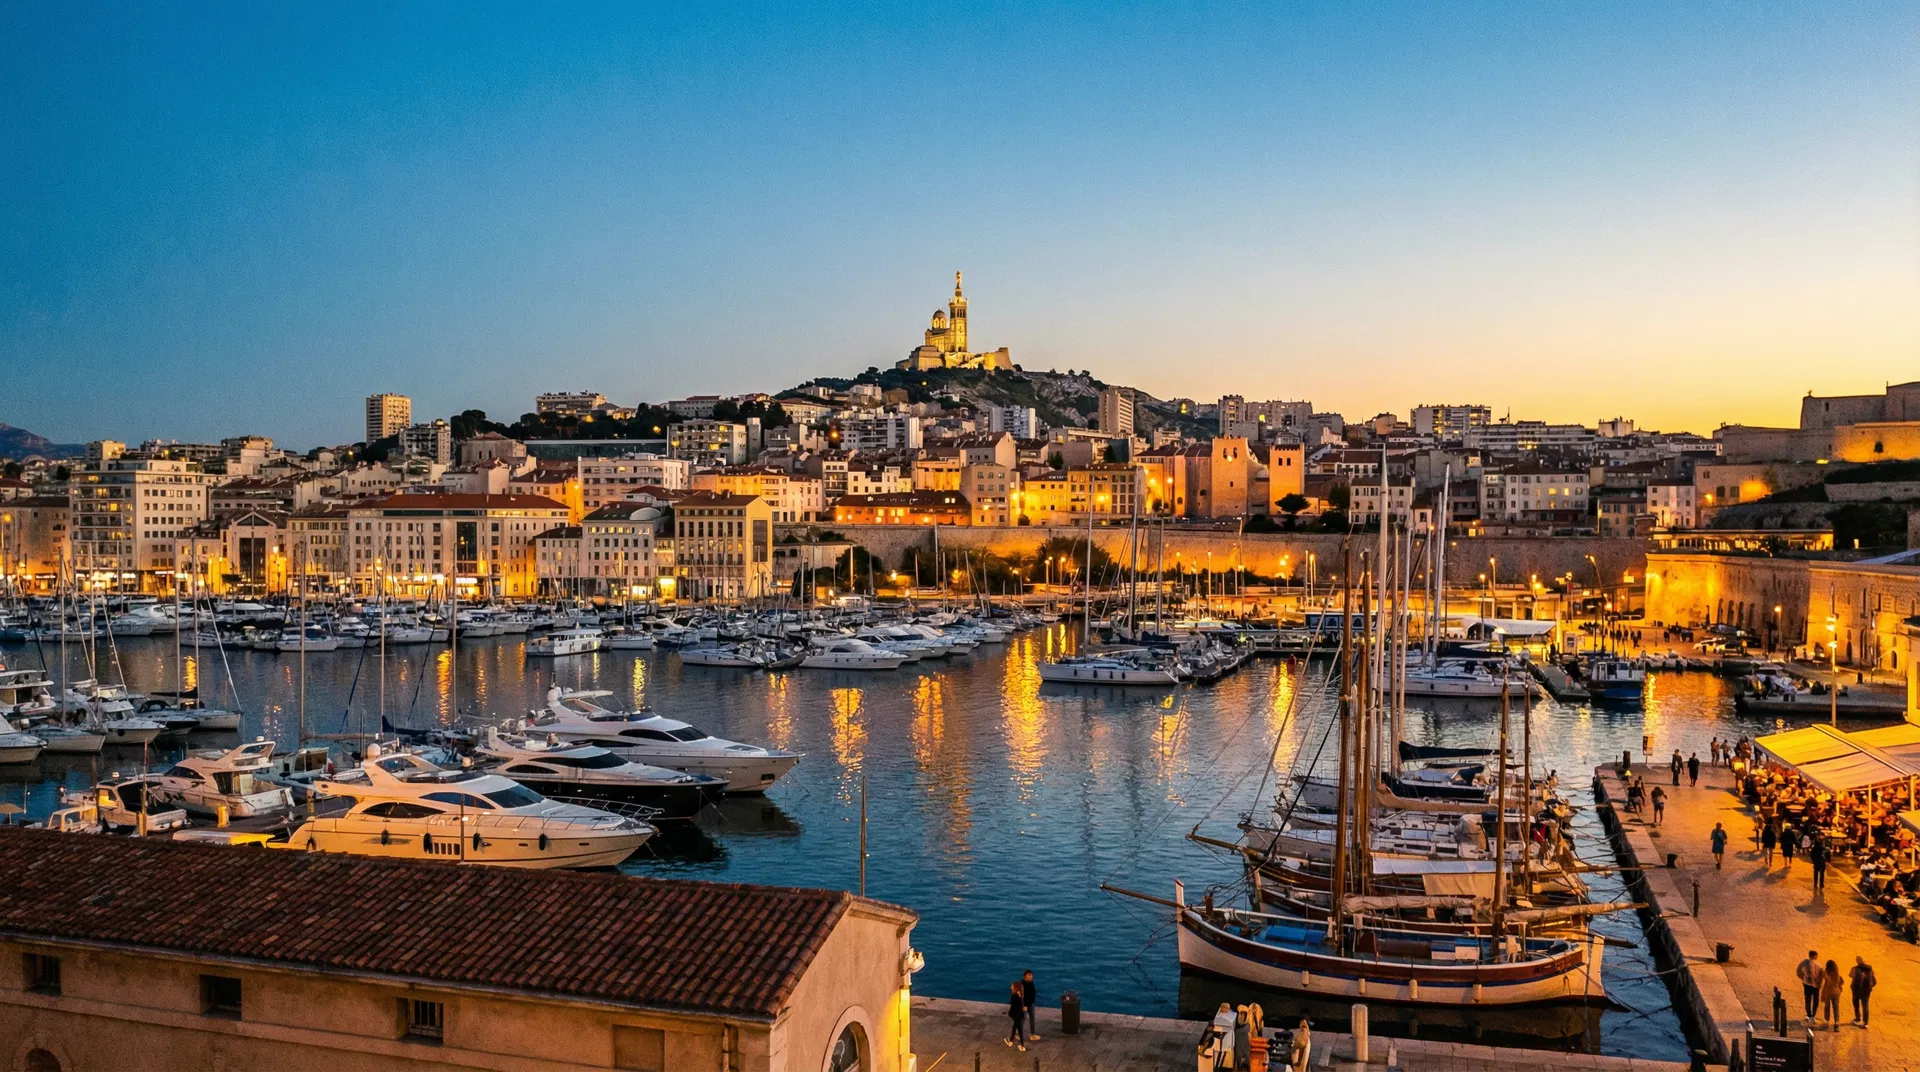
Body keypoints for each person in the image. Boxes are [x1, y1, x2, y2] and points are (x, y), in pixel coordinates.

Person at [1849, 956, 1876, 1027]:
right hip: (1866, 990)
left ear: (1857, 961)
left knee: (1856, 1005)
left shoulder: (1854, 968)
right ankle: (1865, 1022)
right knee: (1865, 1006)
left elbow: (1850, 975)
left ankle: (1858, 1018)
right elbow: (1873, 979)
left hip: (1856, 990)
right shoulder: (1870, 969)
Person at [1797, 950, 1821, 1021]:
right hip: (1815, 985)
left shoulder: (1803, 963)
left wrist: (1803, 978)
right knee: (1815, 1000)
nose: (1817, 957)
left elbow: (1798, 972)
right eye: (1816, 955)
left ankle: (1808, 1014)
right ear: (1814, 956)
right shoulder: (1817, 964)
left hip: (1806, 984)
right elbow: (1821, 973)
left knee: (1808, 999)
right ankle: (1813, 1015)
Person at [1820, 959, 1843, 1030]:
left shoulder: (1827, 973)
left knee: (1827, 1007)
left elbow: (1822, 975)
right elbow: (1842, 982)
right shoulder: (1837, 974)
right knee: (1836, 1008)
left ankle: (1827, 1021)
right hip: (1836, 992)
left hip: (1828, 991)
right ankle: (1836, 1023)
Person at [1005, 981, 1026, 1051]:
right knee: (1015, 1026)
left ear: (1015, 987)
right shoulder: (1021, 995)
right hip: (1019, 1014)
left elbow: (1013, 1006)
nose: (1011, 986)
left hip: (1015, 1014)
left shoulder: (1014, 996)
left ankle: (1021, 1045)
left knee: (1019, 1029)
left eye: (1012, 985)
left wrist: (1009, 1013)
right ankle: (1011, 1041)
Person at [1021, 969, 1040, 1040]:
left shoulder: (1031, 982)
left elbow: (1032, 993)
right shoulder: (1023, 984)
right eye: (1029, 975)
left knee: (1032, 1019)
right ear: (1025, 976)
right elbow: (1023, 996)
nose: (1031, 976)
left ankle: (1033, 1034)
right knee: (1022, 1020)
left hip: (1031, 1004)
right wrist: (1025, 1005)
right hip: (1025, 1005)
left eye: (1031, 975)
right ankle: (1017, 1034)